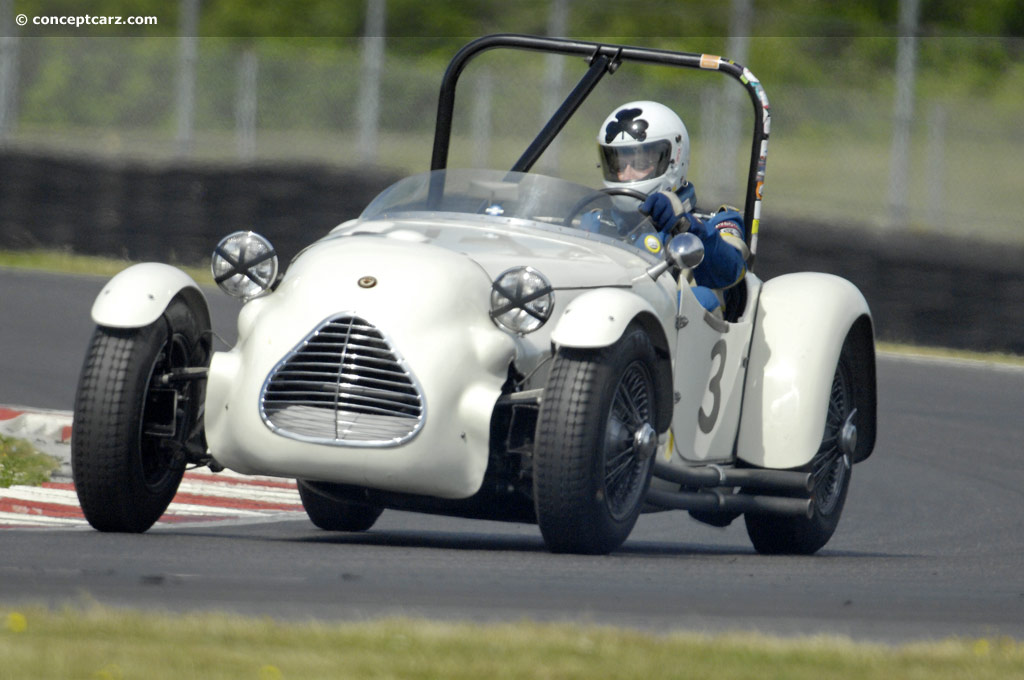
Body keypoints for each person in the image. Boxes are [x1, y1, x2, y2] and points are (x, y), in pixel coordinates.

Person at [596, 100, 749, 316]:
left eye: (640, 164)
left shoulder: (714, 223)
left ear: (674, 160)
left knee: (702, 298)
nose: (627, 174)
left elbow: (730, 272)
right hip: (599, 325)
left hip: (678, 339)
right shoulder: (594, 222)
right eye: (618, 165)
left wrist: (686, 226)